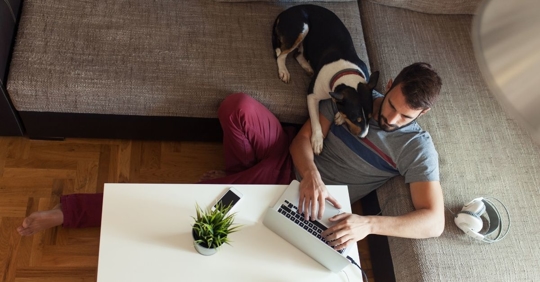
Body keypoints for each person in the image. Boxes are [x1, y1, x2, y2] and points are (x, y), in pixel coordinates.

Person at [18, 62, 444, 251]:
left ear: (422, 113)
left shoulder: (416, 149)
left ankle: (69, 212)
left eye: (402, 115)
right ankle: (234, 181)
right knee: (237, 107)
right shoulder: (359, 98)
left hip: (306, 202)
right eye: (389, 104)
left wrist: (367, 223)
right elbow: (301, 142)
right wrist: (310, 171)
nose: (387, 117)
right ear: (388, 84)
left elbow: (433, 221)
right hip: (289, 162)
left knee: (183, 209)